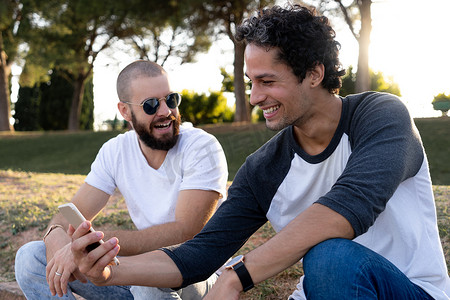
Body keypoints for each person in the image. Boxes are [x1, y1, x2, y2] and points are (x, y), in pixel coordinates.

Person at [69, 4, 450, 300]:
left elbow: (347, 209)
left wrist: (239, 275)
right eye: (252, 83)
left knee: (330, 255)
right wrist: (110, 272)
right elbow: (199, 255)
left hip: (410, 290)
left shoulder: (381, 116)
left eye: (268, 81)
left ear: (314, 74)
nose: (255, 97)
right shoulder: (264, 168)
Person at [14, 60, 228, 299]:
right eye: (150, 105)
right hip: (134, 277)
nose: (165, 111)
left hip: (195, 274)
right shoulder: (115, 151)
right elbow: (68, 215)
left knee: (147, 282)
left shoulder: (202, 147)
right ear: (125, 111)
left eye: (170, 99)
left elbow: (185, 232)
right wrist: (57, 237)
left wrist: (94, 243)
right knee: (30, 257)